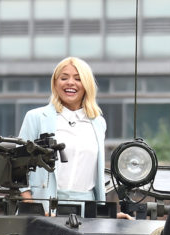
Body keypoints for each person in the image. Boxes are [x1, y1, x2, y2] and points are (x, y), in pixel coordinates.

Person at [18, 56, 107, 206]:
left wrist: (105, 214)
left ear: (87, 85)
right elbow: (17, 169)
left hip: (88, 208)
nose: (70, 83)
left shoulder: (98, 122)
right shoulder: (36, 117)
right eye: (64, 78)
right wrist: (32, 207)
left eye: (78, 79)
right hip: (44, 206)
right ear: (55, 83)